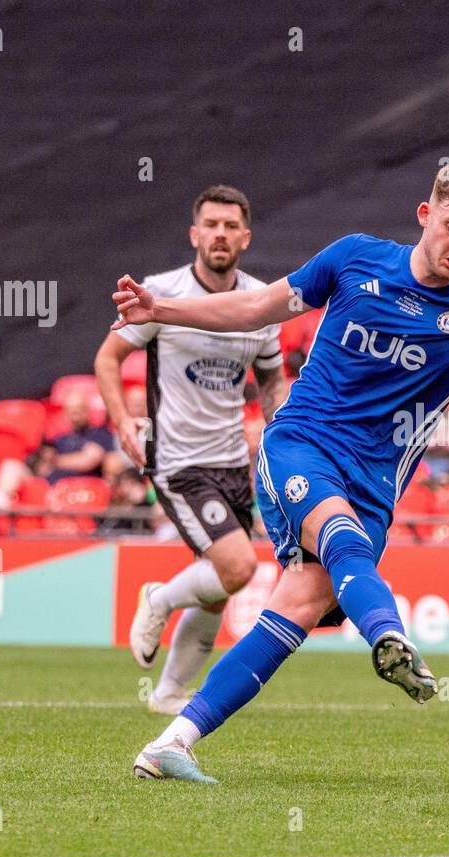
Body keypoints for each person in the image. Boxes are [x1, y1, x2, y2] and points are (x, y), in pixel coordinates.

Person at [112, 162, 449, 782]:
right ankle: (390, 638)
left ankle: (172, 743)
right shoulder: (354, 259)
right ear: (425, 215)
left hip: (374, 486)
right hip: (301, 445)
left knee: (294, 611)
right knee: (341, 538)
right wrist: (162, 308)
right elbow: (255, 309)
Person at [95, 185, 289, 715]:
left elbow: (272, 379)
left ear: (245, 237)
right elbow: (107, 358)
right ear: (194, 234)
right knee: (237, 566)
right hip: (178, 459)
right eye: (212, 224)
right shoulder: (162, 294)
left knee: (219, 586)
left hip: (232, 461)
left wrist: (283, 426)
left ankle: (169, 693)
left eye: (231, 226)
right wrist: (122, 423)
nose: (220, 234)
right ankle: (157, 598)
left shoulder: (261, 302)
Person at [0, 392, 113, 508]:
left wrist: (56, 461)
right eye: (71, 412)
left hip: (80, 488)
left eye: (78, 411)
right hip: (48, 483)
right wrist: (46, 462)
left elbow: (89, 460)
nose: (75, 416)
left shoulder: (99, 433)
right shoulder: (60, 438)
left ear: (86, 410)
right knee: (11, 465)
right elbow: (43, 465)